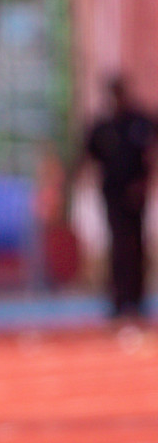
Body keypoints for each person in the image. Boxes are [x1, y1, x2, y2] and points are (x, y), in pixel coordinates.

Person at [82, 76, 156, 321]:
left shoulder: (140, 122)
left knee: (136, 245)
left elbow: (150, 152)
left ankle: (136, 300)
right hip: (112, 194)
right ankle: (118, 300)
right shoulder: (103, 126)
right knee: (117, 246)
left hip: (136, 193)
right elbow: (88, 156)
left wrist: (144, 183)